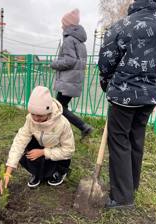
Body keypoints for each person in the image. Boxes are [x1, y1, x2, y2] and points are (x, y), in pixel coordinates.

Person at [98, 0, 156, 209]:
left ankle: (122, 197)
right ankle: (131, 184)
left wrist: (107, 83)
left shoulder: (124, 25)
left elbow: (106, 60)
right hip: (150, 96)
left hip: (124, 96)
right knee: (136, 136)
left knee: (119, 140)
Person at [0, 86, 75, 193]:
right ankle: (37, 173)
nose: (36, 118)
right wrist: (8, 172)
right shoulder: (30, 120)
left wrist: (43, 152)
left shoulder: (62, 124)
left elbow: (68, 150)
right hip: (42, 146)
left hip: (57, 152)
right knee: (25, 141)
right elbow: (19, 142)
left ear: (49, 112)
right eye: (33, 114)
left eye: (40, 115)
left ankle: (59, 172)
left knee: (60, 160)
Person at [51, 8, 93, 139]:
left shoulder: (69, 40)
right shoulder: (80, 42)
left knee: (58, 108)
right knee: (60, 107)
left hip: (67, 82)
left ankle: (83, 127)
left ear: (68, 25)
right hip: (73, 81)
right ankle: (59, 131)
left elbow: (69, 61)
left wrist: (54, 64)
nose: (61, 26)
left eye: (63, 23)